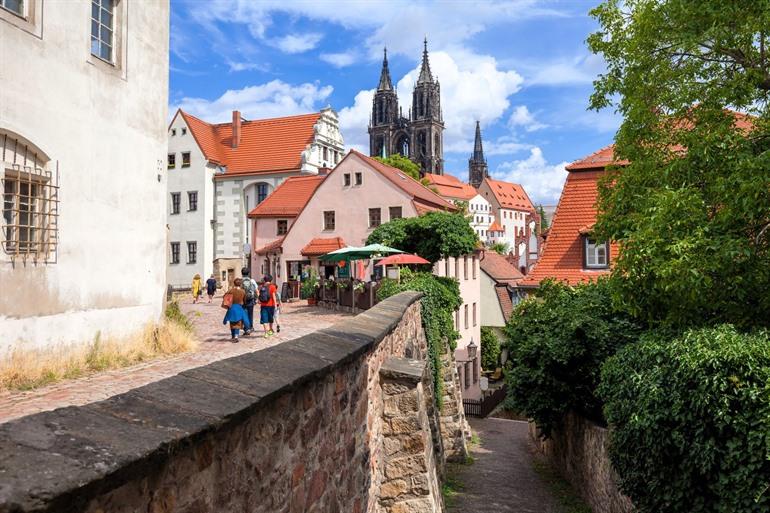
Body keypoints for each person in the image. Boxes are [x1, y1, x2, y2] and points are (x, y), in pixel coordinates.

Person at [240, 267, 257, 334]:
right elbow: (255, 290)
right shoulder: (252, 281)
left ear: (242, 273)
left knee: (244, 314)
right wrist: (255, 299)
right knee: (250, 314)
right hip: (250, 299)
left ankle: (246, 328)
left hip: (242, 300)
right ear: (248, 273)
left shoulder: (240, 281)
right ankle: (251, 327)